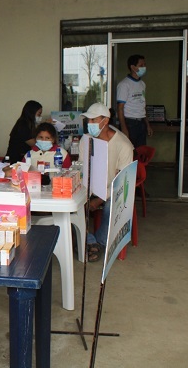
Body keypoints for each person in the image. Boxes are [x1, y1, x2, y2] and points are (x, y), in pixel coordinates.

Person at [79, 103, 134, 262]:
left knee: (112, 206)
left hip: (114, 189)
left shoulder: (123, 145)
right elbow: (83, 168)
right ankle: (90, 241)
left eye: (93, 120)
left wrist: (100, 199)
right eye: (88, 120)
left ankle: (98, 242)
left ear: (105, 120)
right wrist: (84, 193)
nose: (89, 124)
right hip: (90, 187)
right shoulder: (86, 139)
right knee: (70, 203)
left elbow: (123, 181)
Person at [116, 54, 153, 148]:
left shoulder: (142, 84)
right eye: (141, 65)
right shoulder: (124, 85)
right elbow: (120, 108)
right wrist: (124, 129)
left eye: (145, 65)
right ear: (133, 67)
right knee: (129, 153)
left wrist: (147, 125)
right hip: (130, 123)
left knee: (141, 153)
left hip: (141, 123)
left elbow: (142, 105)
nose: (144, 67)